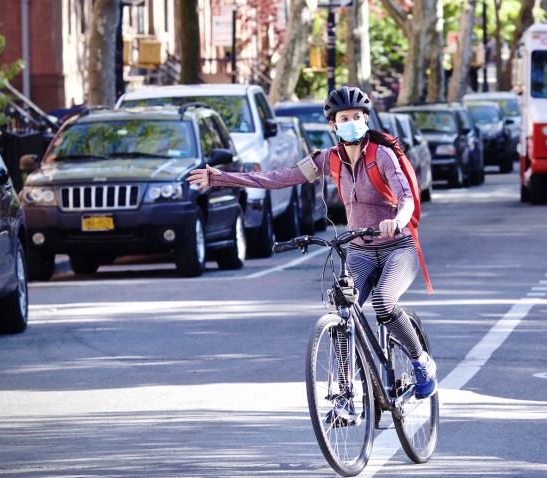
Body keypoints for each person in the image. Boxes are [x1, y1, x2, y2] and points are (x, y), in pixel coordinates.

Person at [188, 85, 438, 420]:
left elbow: (406, 195)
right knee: (343, 311)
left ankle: (421, 363)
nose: (351, 122)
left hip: (397, 246)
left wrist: (397, 220)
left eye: (356, 117)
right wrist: (223, 179)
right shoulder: (328, 159)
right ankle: (347, 396)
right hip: (360, 250)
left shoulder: (383, 156)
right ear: (333, 125)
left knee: (383, 302)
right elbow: (279, 178)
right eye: (343, 118)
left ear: (366, 120)